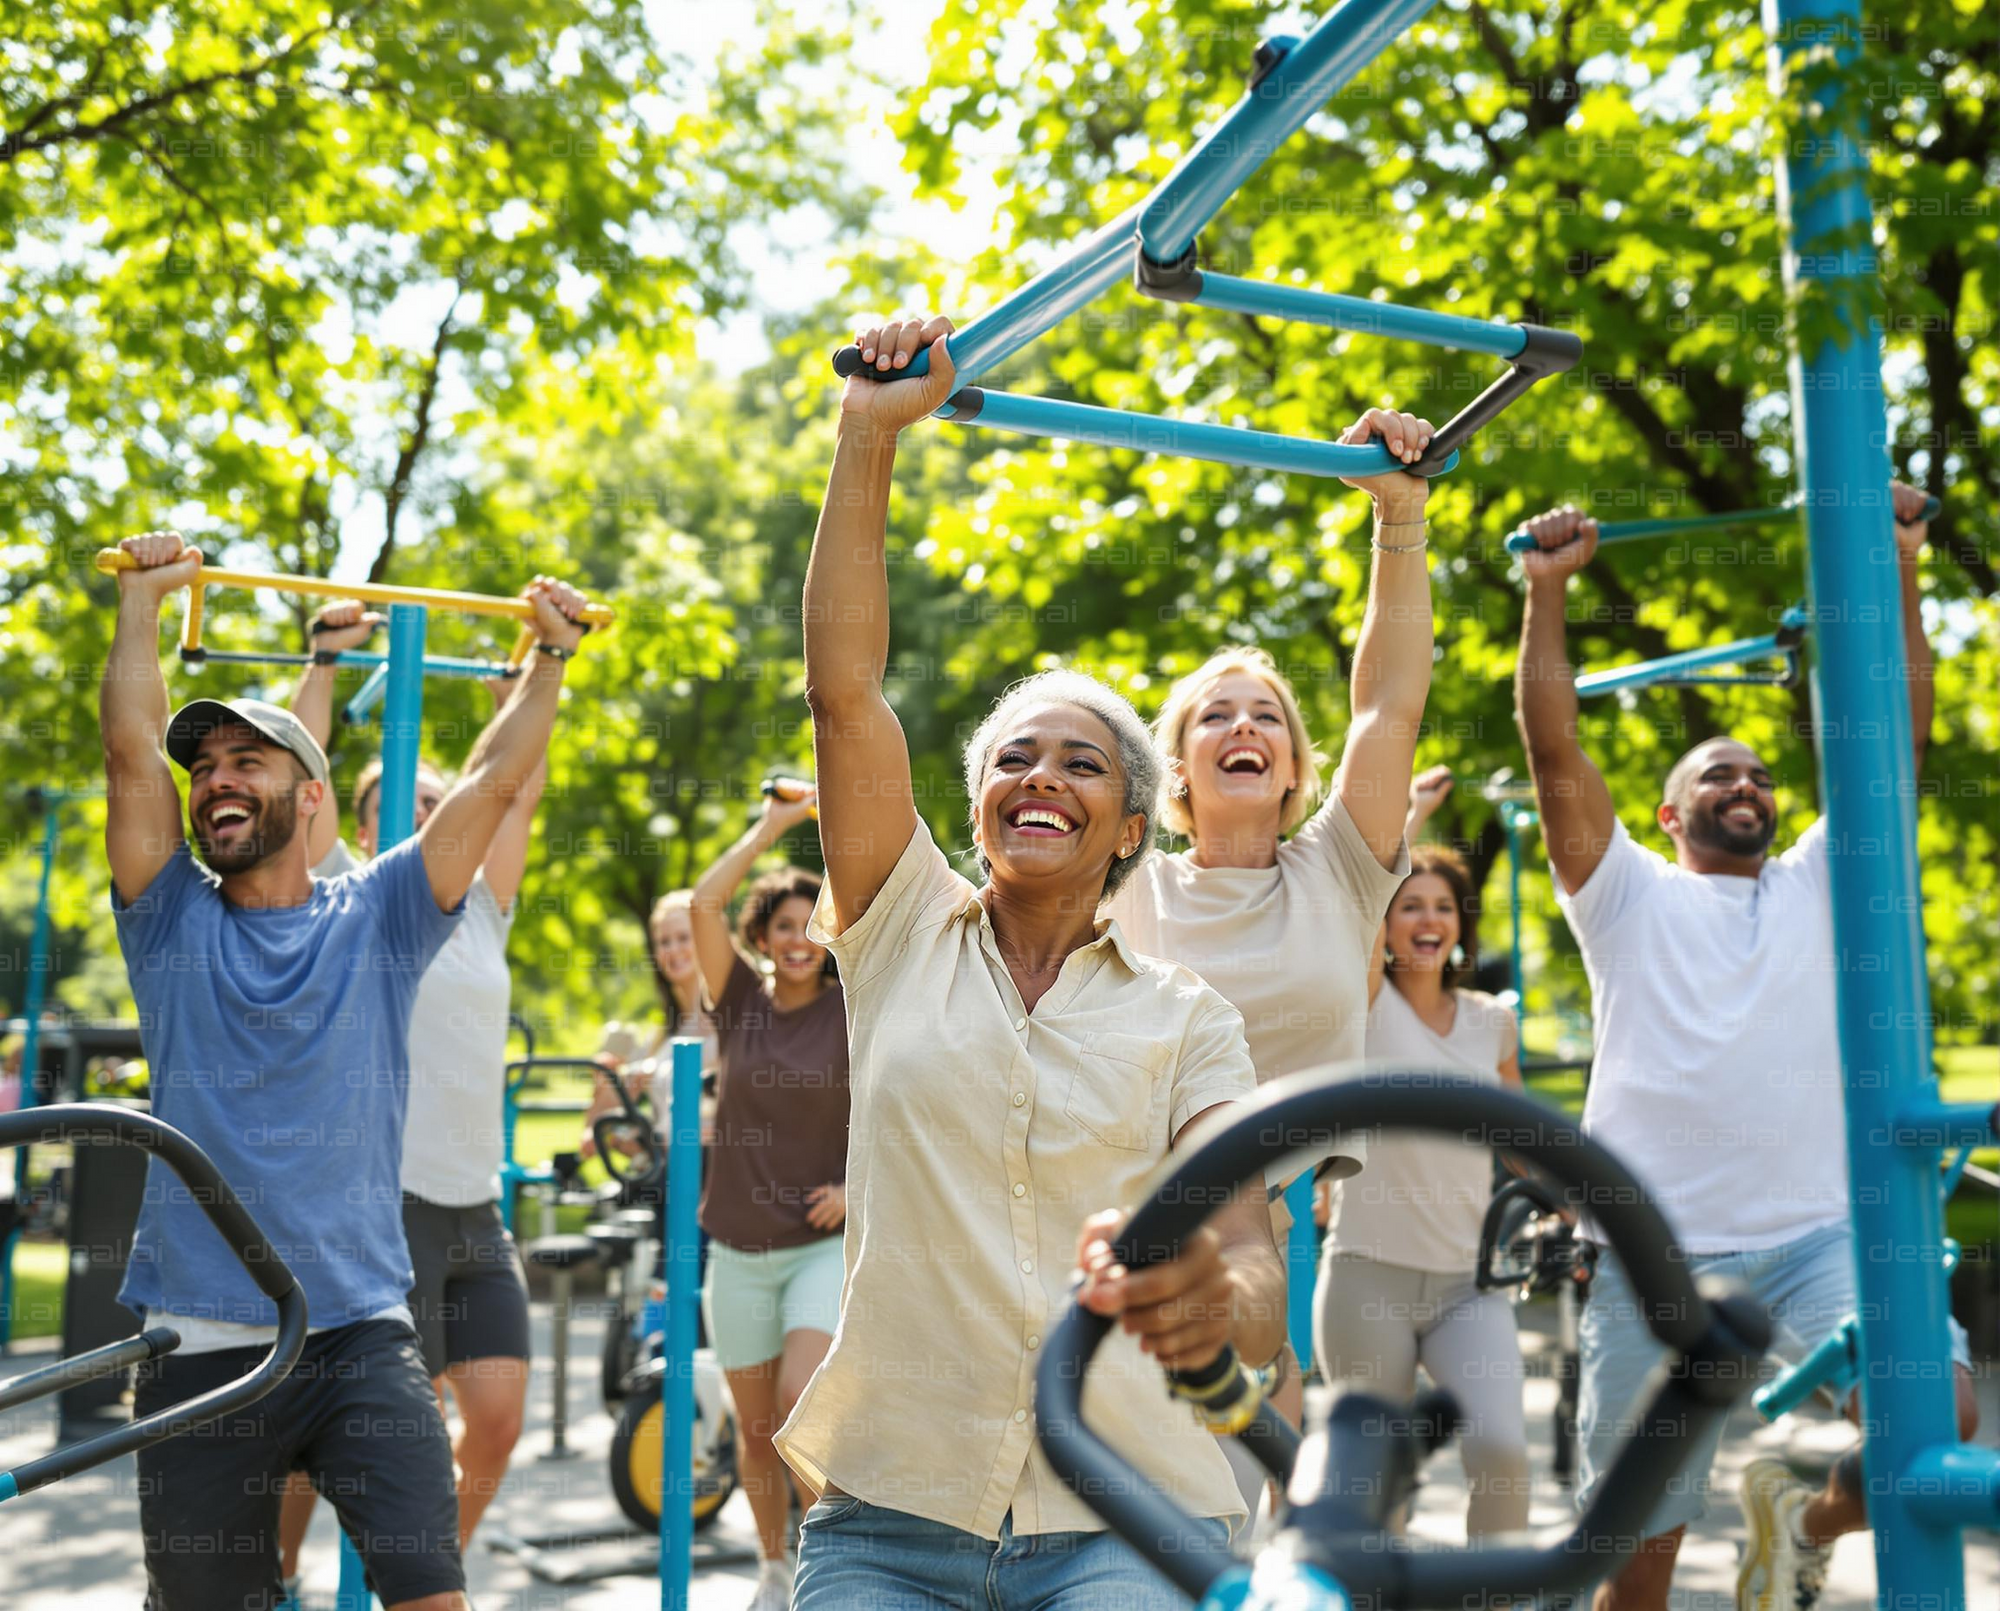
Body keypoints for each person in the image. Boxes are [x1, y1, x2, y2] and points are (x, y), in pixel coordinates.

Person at [773, 311, 1288, 1607]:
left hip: (1133, 1508)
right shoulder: (899, 928)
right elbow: (845, 689)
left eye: (1082, 760)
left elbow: (1250, 1246)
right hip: (895, 1510)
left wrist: (1214, 1294)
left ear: (1129, 823)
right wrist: (868, 437)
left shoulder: (1186, 1015)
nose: (1041, 774)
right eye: (1014, 754)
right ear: (979, 799)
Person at [99, 528, 590, 1611]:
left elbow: (494, 779)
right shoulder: (171, 920)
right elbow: (133, 750)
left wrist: (548, 656)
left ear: (310, 798)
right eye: (208, 768)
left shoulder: (382, 915)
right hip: (201, 1338)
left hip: (361, 1332)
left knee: (428, 1595)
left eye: (247, 763)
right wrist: (143, 601)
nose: (216, 781)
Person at [1512, 487, 1976, 1611]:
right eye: (1715, 774)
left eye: (1760, 775)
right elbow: (1551, 744)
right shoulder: (1624, 895)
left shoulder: (1821, 884)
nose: (1745, 785)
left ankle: (1800, 1515)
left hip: (1822, 1239)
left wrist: (1901, 565)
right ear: (1667, 816)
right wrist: (1546, 594)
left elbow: (1893, 737)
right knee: (1641, 1550)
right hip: (1653, 1254)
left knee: (1936, 1425)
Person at [1101, 427, 1437, 1453]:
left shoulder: (1335, 870)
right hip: (1118, 1209)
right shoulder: (1123, 885)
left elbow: (1388, 704)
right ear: (1173, 768)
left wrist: (1399, 516)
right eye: (1213, 716)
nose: (1241, 726)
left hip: (1267, 1227)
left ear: (1293, 766)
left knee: (1253, 1495)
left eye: (1265, 717)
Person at [272, 599, 548, 1581]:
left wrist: (545, 665)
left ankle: (431, 1581)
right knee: (352, 1429)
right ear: (352, 820)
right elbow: (290, 778)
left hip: (475, 1203)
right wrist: (324, 663)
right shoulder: (342, 892)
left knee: (499, 1419)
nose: (424, 816)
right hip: (380, 1208)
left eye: (435, 802)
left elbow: (508, 786)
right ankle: (277, 1578)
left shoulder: (479, 909)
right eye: (399, 803)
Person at [1317, 831, 1532, 1539]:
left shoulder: (1492, 1023)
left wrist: (1584, 1203)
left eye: (1443, 906)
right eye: (1410, 906)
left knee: (1501, 1449)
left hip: (1466, 1285)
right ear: (1384, 923)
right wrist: (1403, 819)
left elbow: (1524, 1144)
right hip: (1364, 1279)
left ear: (1461, 924)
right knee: (1377, 1485)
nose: (1428, 920)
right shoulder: (1364, 1003)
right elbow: (1362, 886)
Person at [686, 791, 849, 1610]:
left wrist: (857, 1189)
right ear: (762, 936)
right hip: (738, 1248)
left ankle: (830, 1569)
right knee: (754, 1432)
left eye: (812, 922)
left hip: (820, 1245)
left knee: (799, 1406)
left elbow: (906, 1110)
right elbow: (699, 902)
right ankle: (774, 1566)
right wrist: (774, 826)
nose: (798, 938)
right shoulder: (740, 1001)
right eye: (784, 925)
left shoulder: (855, 1005)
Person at [581, 889, 722, 1160]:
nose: (673, 950)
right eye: (663, 942)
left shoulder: (734, 1018)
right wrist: (606, 1081)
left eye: (683, 937)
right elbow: (591, 1138)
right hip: (671, 1180)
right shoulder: (661, 1037)